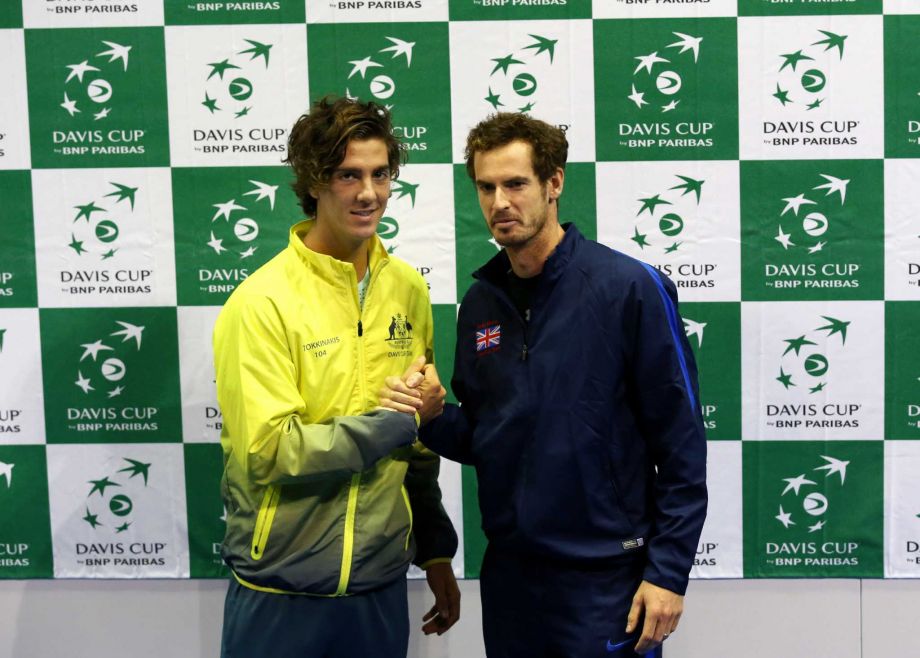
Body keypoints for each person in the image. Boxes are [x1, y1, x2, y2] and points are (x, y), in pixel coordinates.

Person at [381, 113, 707, 657]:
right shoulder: (481, 302)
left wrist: (669, 572)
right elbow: (491, 437)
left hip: (608, 579)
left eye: (515, 184)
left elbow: (681, 444)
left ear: (554, 183)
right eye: (486, 187)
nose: (499, 202)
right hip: (511, 577)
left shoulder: (629, 288)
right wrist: (434, 416)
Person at [213, 96, 460, 658]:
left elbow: (417, 445)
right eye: (348, 175)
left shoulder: (407, 289)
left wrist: (436, 551)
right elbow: (271, 451)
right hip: (280, 588)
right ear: (314, 182)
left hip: (378, 586)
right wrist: (394, 424)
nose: (368, 193)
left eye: (380, 174)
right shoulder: (261, 302)